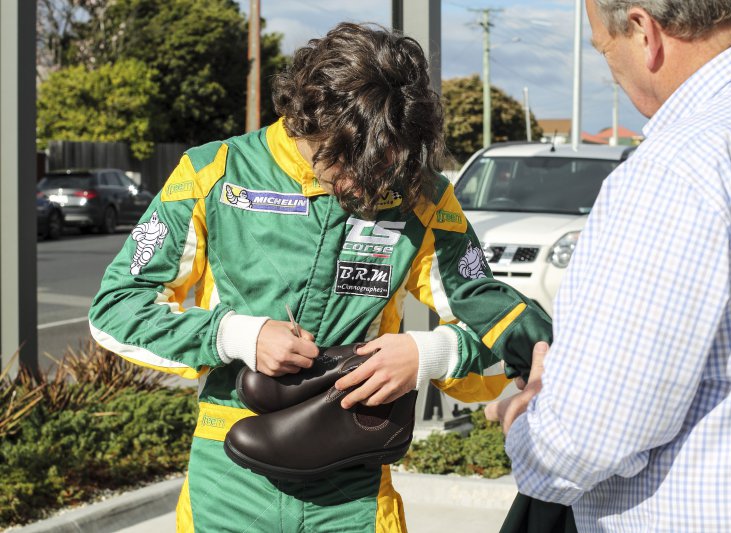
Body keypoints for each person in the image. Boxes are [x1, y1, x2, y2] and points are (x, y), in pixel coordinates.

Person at [88, 22, 551, 532]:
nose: (368, 183)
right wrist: (236, 335)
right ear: (305, 119)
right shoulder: (211, 174)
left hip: (353, 485)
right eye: (352, 163)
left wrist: (431, 354)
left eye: (387, 165)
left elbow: (504, 322)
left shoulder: (419, 193)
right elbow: (116, 310)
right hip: (229, 484)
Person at [488, 0, 731, 531]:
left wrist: (522, 416)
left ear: (642, 31)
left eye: (604, 52)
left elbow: (587, 438)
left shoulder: (679, 169)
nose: (612, 73)